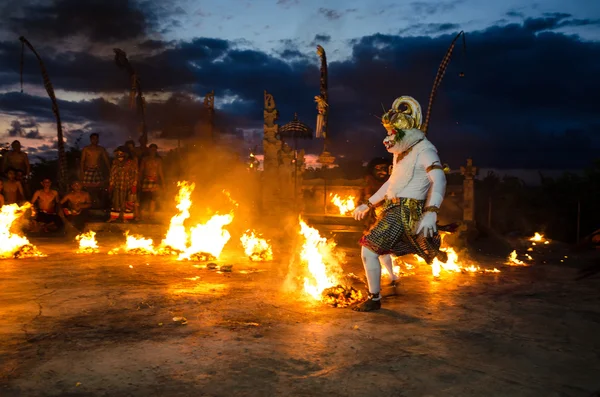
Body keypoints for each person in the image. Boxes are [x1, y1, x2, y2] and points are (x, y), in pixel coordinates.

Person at [352, 96, 448, 312]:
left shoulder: (425, 150)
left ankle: (374, 299)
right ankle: (388, 282)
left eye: (392, 133)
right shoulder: (401, 153)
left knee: (368, 250)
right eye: (387, 133)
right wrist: (368, 204)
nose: (387, 138)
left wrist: (432, 211)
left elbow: (439, 179)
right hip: (392, 209)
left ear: (405, 133)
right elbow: (391, 183)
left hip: (407, 211)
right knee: (380, 250)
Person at [359, 157, 400, 288]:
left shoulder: (394, 182)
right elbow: (364, 199)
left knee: (375, 250)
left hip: (389, 218)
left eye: (384, 168)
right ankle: (388, 277)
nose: (381, 171)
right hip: (374, 219)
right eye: (378, 168)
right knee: (377, 251)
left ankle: (378, 289)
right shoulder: (368, 183)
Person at [108, 146, 138, 222]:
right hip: (117, 185)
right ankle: (113, 217)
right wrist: (111, 184)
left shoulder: (131, 163)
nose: (119, 155)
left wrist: (134, 185)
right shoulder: (115, 162)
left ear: (125, 154)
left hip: (128, 185)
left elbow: (135, 174)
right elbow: (112, 174)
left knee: (127, 203)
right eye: (118, 153)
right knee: (116, 202)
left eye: (121, 153)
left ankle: (125, 218)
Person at [80, 133, 110, 204]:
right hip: (88, 169)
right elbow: (82, 161)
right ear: (91, 140)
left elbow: (106, 160)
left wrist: (110, 170)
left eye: (96, 138)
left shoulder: (101, 149)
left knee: (100, 186)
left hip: (97, 170)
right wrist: (82, 171)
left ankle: (97, 201)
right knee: (87, 186)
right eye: (93, 138)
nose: (95, 140)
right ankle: (88, 201)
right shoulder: (86, 149)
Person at [139, 143, 164, 221]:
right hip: (146, 180)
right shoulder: (145, 159)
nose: (153, 151)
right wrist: (138, 180)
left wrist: (163, 183)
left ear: (156, 150)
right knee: (145, 198)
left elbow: (160, 172)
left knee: (153, 198)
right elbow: (141, 170)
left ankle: (151, 215)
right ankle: (142, 215)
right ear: (149, 150)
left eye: (154, 150)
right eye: (151, 149)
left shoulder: (158, 160)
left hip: (155, 180)